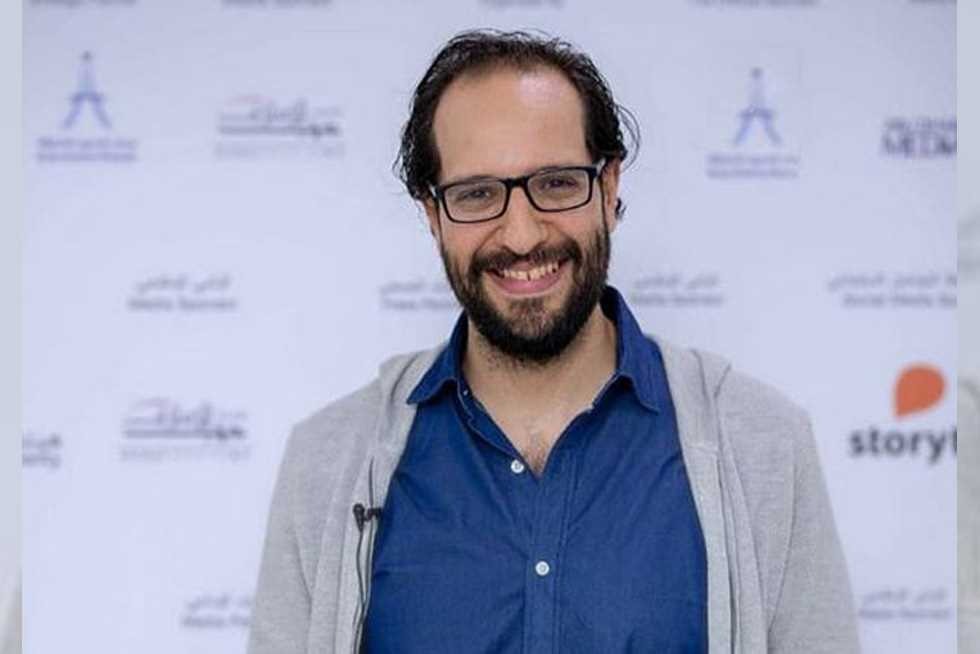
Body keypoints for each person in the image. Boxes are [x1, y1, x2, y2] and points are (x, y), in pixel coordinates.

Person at [248, 29, 859, 653]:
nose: (521, 234)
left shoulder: (761, 444)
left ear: (609, 186)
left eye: (557, 183)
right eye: (477, 194)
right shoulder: (329, 461)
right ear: (432, 215)